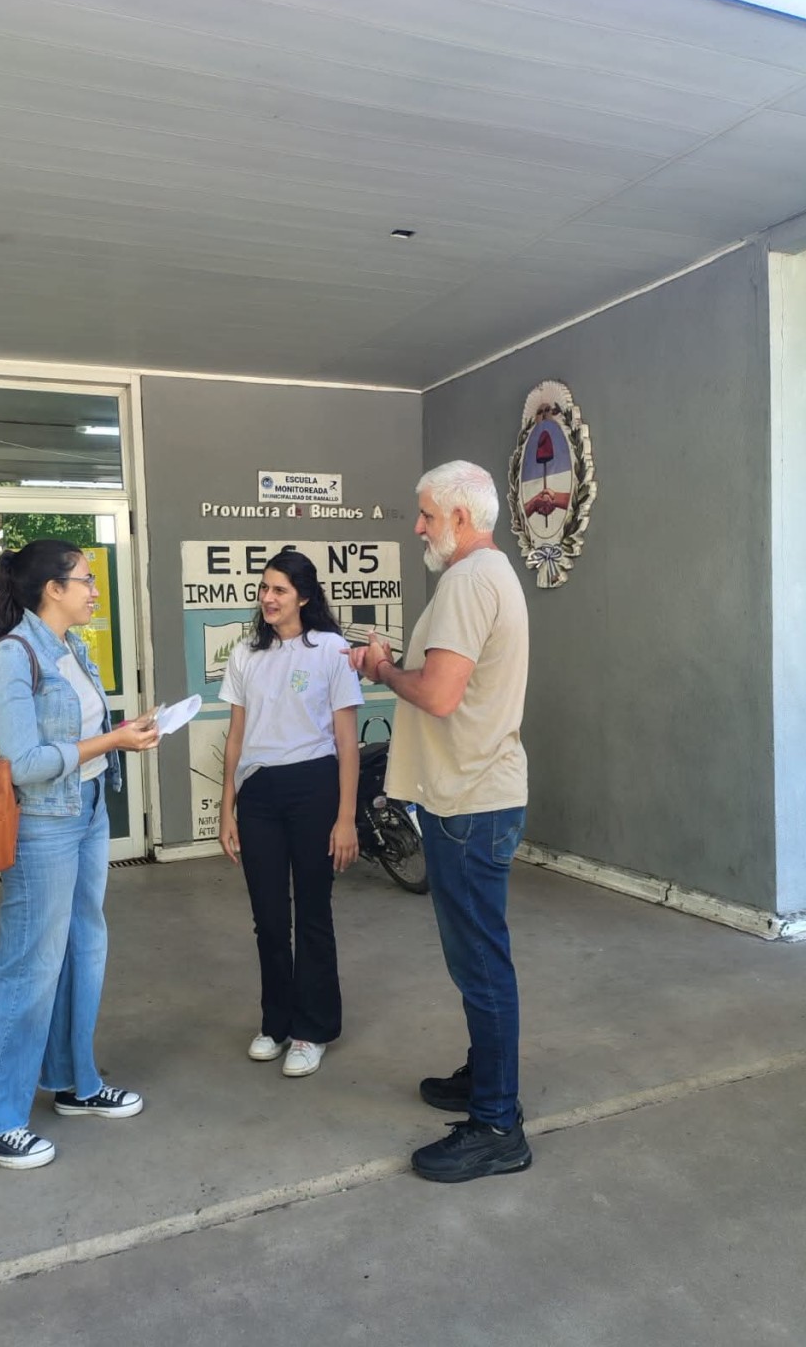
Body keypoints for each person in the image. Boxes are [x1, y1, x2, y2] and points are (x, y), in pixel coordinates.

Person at [349, 461, 531, 1183]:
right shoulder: (491, 576)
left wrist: (379, 669)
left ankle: (496, 1125)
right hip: (478, 796)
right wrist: (400, 664)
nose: (418, 526)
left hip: (470, 802)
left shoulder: (464, 582)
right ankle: (483, 1076)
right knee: (478, 961)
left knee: (481, 965)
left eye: (426, 514)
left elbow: (441, 694)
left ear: (460, 516)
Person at [0, 540, 160, 1170]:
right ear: (52, 589)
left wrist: (128, 732)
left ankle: (75, 1083)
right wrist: (115, 740)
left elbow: (79, 736)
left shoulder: (70, 648)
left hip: (88, 811)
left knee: (81, 949)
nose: (94, 589)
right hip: (44, 823)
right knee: (27, 964)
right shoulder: (13, 658)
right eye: (85, 580)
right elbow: (29, 763)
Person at [218, 550, 362, 1078]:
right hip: (258, 792)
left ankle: (312, 1029)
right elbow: (235, 737)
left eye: (279, 589)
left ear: (303, 595)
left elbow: (347, 744)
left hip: (314, 789)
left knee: (314, 913)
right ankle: (276, 1023)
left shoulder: (330, 650)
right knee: (270, 919)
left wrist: (345, 818)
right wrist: (227, 808)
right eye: (263, 588)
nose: (268, 598)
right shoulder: (245, 655)